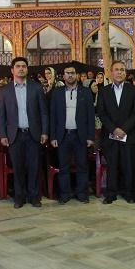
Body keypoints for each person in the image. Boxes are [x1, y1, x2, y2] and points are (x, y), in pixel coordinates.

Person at [0, 57, 49, 209]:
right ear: (12, 70)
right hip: (15, 135)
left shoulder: (36, 88)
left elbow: (44, 112)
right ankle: (19, 197)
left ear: (27, 69)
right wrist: (3, 134)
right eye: (18, 66)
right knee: (18, 168)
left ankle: (34, 197)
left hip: (33, 134)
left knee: (34, 167)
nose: (21, 69)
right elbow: (1, 115)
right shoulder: (5, 90)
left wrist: (45, 131)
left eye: (24, 66)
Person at [50, 65, 95, 204]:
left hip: (80, 135)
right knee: (64, 166)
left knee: (82, 165)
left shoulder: (85, 92)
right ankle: (65, 194)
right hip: (63, 135)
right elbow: (53, 115)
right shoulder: (57, 93)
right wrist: (53, 136)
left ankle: (82, 193)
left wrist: (90, 136)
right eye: (67, 73)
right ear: (63, 76)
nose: (70, 75)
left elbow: (90, 115)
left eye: (72, 73)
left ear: (77, 75)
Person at [97, 61, 135, 204]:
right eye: (116, 70)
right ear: (111, 73)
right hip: (110, 135)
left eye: (122, 70)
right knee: (112, 165)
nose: (119, 72)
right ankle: (111, 194)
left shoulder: (133, 90)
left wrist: (124, 129)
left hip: (128, 135)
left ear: (125, 73)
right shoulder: (103, 91)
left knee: (128, 165)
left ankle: (129, 193)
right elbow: (101, 113)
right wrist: (114, 129)